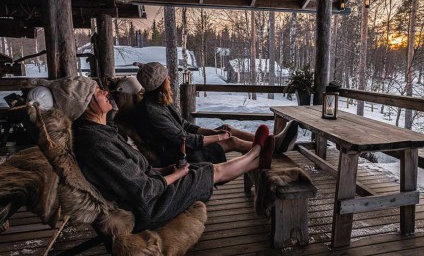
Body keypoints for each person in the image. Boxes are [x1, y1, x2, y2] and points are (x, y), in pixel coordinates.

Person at [42, 76, 275, 232]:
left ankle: (257, 156)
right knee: (209, 170)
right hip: (150, 209)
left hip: (153, 189)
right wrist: (175, 174)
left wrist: (165, 171)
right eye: (97, 92)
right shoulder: (95, 143)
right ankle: (256, 154)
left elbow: (136, 173)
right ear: (85, 104)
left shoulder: (102, 131)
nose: (105, 93)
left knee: (201, 168)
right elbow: (143, 191)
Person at [135, 62, 299, 167]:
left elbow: (185, 126)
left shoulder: (161, 103)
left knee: (227, 129)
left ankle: (274, 142)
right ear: (160, 84)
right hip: (179, 154)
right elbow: (184, 139)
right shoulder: (152, 111)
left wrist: (214, 133)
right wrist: (219, 138)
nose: (169, 79)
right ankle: (271, 150)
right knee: (231, 140)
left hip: (185, 143)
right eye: (166, 77)